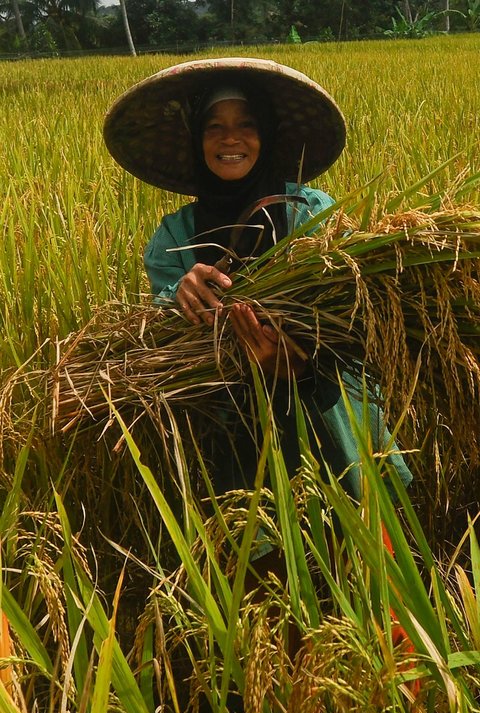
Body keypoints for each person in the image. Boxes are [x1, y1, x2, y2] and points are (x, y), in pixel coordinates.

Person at [104, 57, 412, 504]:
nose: (231, 138)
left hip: (330, 415)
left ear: (265, 135)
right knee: (260, 563)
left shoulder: (310, 213)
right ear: (196, 140)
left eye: (247, 124)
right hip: (235, 431)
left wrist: (302, 363)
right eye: (213, 127)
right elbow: (160, 336)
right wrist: (179, 297)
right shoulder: (173, 238)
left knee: (363, 556)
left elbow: (362, 320)